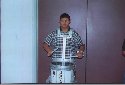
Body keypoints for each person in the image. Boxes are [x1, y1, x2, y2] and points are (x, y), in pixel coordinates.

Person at [43, 13, 85, 83]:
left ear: (69, 21)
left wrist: (80, 52)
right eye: (62, 21)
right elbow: (45, 44)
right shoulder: (54, 33)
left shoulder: (74, 33)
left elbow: (81, 45)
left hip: (70, 65)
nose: (64, 22)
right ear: (59, 22)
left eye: (66, 20)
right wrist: (49, 50)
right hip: (55, 65)